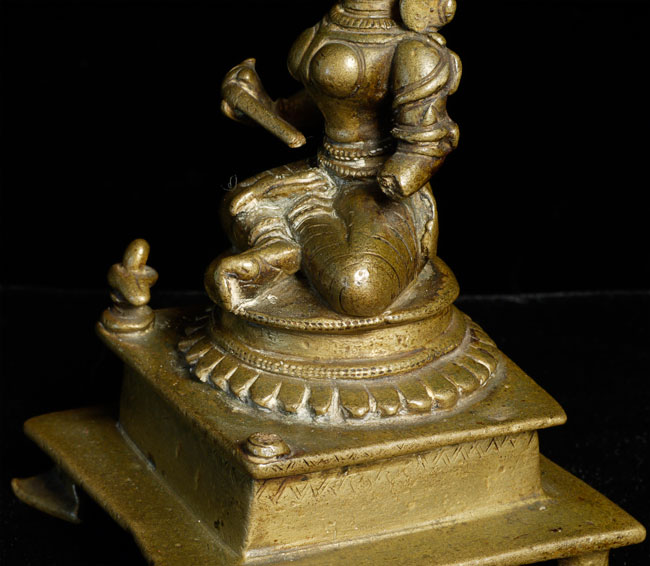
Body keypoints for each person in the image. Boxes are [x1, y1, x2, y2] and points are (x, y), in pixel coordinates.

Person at [208, 0, 461, 317]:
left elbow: (429, 141)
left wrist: (402, 173)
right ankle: (279, 249)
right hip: (323, 172)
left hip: (379, 190)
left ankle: (289, 244)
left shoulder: (414, 50)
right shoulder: (335, 22)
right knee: (238, 204)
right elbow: (327, 99)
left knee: (357, 289)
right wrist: (265, 108)